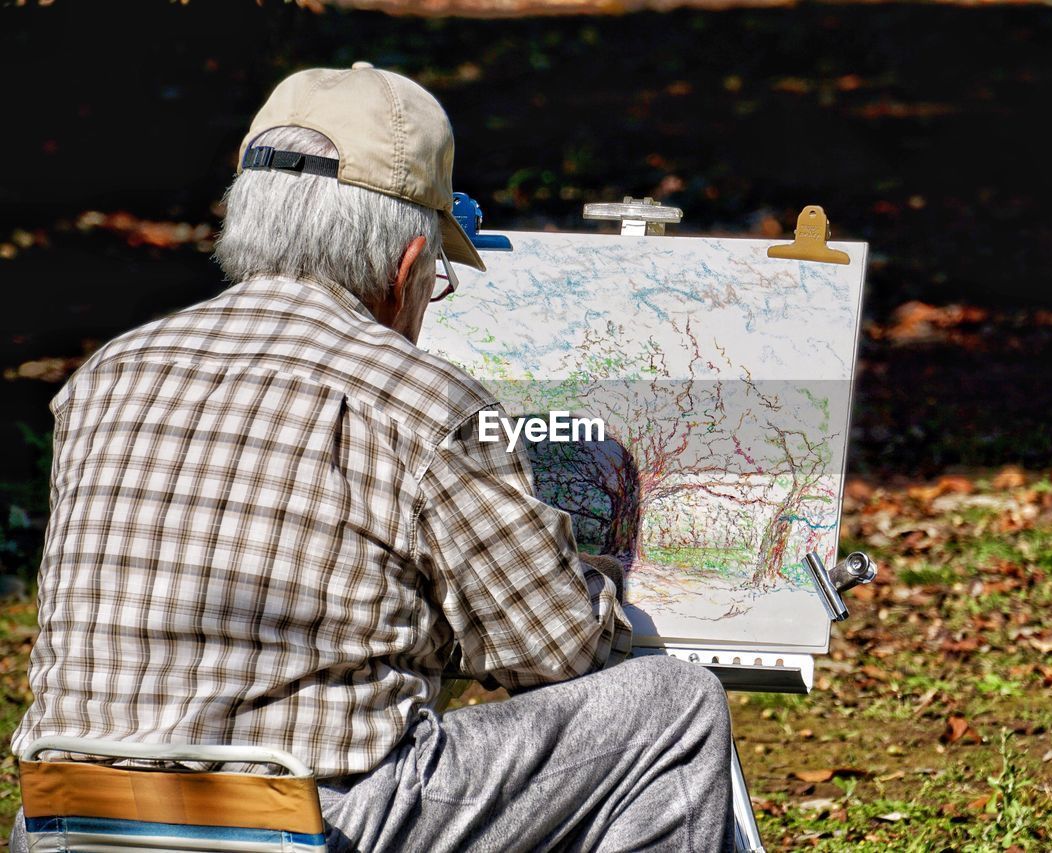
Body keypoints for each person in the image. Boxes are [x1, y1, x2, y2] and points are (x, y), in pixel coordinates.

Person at [10, 64, 731, 852]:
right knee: (676, 704)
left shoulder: (109, 372)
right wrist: (601, 571)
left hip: (71, 817)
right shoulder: (425, 399)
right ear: (406, 263)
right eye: (436, 279)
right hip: (306, 824)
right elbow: (559, 646)